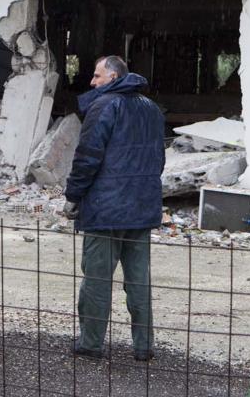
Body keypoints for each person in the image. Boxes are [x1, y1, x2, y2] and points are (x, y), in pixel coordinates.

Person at [63, 55, 165, 362]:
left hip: (105, 210)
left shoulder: (103, 106)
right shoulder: (152, 109)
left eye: (96, 76)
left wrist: (73, 196)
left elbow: (87, 157)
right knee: (138, 281)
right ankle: (143, 345)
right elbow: (158, 159)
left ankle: (91, 344)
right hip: (141, 208)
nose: (92, 82)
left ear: (113, 77)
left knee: (97, 279)